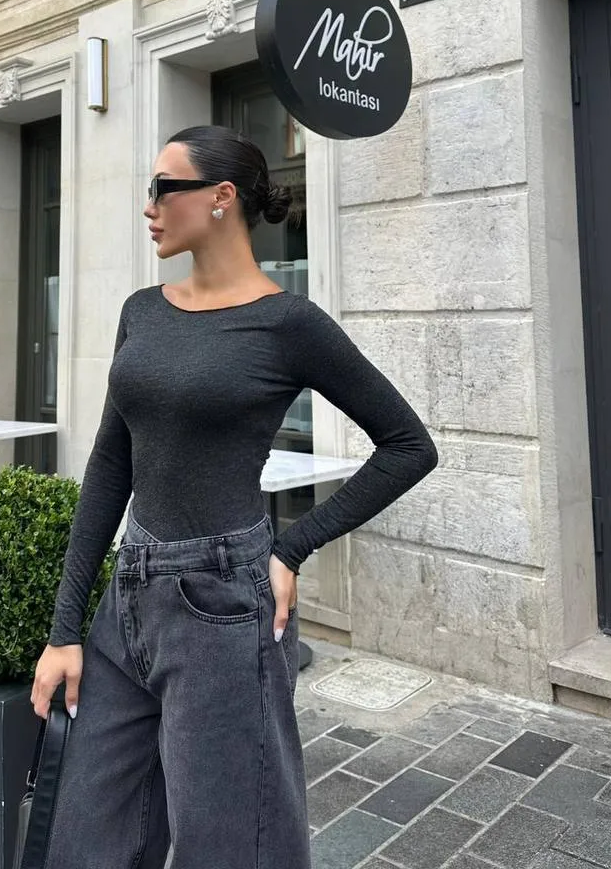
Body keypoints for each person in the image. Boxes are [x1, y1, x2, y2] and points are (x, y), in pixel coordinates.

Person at [30, 124, 438, 869]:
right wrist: (65, 631)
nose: (149, 205)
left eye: (164, 188)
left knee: (230, 848)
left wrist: (292, 547)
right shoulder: (142, 311)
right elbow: (111, 464)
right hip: (129, 598)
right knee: (88, 840)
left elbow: (409, 446)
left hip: (225, 607)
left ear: (220, 198)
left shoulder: (289, 324)